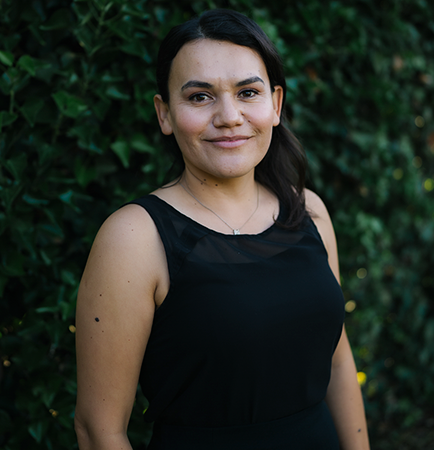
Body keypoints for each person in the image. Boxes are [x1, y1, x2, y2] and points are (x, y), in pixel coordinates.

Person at [74, 9, 370, 450]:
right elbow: (99, 430)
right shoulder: (134, 238)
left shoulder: (308, 211)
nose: (229, 116)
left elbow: (339, 360)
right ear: (165, 114)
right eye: (199, 97)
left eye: (248, 92)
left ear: (275, 105)